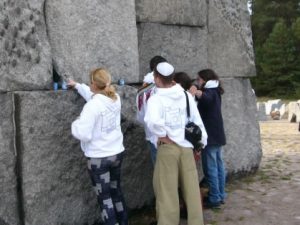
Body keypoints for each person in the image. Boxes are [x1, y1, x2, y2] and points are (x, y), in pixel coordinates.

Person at [144, 62, 207, 225]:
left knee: (167, 193)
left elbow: (152, 122)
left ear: (157, 79)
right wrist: (200, 143)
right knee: (192, 192)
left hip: (168, 149)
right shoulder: (185, 95)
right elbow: (197, 121)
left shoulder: (155, 99)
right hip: (186, 148)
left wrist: (163, 135)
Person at [69, 68, 128, 225]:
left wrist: (76, 122)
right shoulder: (115, 98)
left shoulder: (92, 106)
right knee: (116, 192)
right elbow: (95, 97)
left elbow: (84, 134)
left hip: (99, 158)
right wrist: (77, 86)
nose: (89, 85)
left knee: (105, 198)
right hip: (116, 153)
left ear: (94, 84)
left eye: (90, 82)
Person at [191, 69, 227, 209]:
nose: (198, 82)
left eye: (199, 80)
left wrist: (195, 91)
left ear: (205, 80)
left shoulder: (210, 92)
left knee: (211, 168)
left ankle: (215, 197)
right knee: (218, 166)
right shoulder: (216, 90)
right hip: (217, 135)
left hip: (210, 137)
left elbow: (206, 98)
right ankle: (220, 194)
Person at [136, 56, 167, 164]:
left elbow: (140, 116)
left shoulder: (142, 91)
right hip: (169, 135)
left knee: (158, 168)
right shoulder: (168, 87)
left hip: (151, 133)